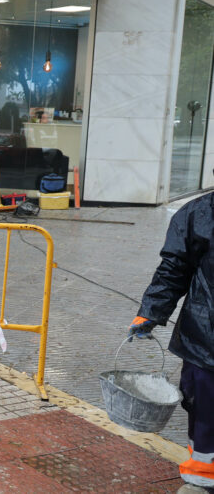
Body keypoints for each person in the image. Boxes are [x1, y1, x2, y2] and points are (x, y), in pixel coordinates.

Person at [129, 190, 214, 491]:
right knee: (206, 413)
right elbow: (174, 268)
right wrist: (150, 311)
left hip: (204, 337)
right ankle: (202, 481)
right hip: (207, 340)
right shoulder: (197, 214)